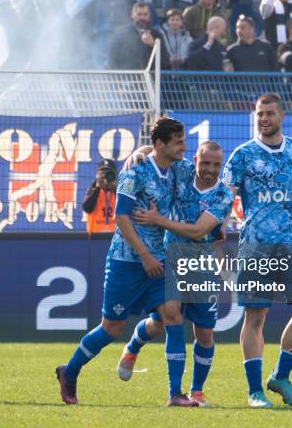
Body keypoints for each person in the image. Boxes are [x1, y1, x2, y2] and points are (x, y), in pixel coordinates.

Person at [56, 117, 199, 407]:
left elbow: (203, 170)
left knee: (172, 315)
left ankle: (175, 394)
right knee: (111, 328)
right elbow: (121, 217)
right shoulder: (135, 172)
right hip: (127, 261)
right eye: (179, 141)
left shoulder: (178, 168)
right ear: (161, 145)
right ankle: (69, 373)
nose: (184, 146)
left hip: (158, 258)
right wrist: (144, 255)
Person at [222, 93, 292, 408]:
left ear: (281, 116)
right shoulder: (242, 155)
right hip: (256, 246)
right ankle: (254, 391)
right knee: (256, 317)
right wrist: (218, 228)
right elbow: (224, 197)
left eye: (269, 113)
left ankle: (281, 377)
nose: (263, 119)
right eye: (260, 114)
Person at [116, 140, 234, 408]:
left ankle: (197, 391)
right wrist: (139, 151)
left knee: (204, 333)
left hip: (202, 266)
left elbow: (197, 232)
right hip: (169, 258)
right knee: (163, 323)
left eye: (216, 164)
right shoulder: (181, 173)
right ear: (195, 160)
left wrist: (159, 220)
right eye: (205, 163)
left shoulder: (223, 195)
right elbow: (158, 152)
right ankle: (135, 350)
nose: (210, 169)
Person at [109, 2, 170, 69]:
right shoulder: (121, 34)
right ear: (132, 15)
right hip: (126, 78)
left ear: (149, 15)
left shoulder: (157, 34)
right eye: (139, 14)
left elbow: (165, 61)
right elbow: (112, 60)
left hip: (149, 78)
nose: (142, 17)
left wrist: (153, 45)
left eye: (145, 14)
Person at [83, 159, 118, 234]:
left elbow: (126, 208)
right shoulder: (92, 190)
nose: (106, 176)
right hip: (95, 237)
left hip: (115, 237)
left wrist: (114, 188)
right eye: (102, 173)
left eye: (109, 173)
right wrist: (97, 187)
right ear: (97, 175)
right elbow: (87, 209)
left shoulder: (118, 191)